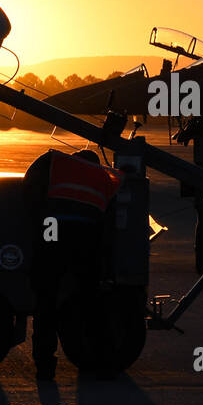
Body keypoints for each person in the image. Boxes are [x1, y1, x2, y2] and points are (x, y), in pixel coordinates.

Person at [23, 149, 123, 380]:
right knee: (91, 300)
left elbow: (29, 187)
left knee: (45, 300)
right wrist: (104, 263)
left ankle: (44, 366)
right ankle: (104, 360)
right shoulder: (103, 177)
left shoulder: (56, 162)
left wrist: (38, 220)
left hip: (53, 229)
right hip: (86, 234)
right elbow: (110, 221)